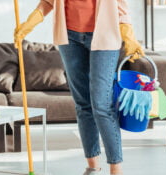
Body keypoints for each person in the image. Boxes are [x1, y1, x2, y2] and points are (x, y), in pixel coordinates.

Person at [14, 0, 144, 174]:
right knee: (83, 104)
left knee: (101, 104)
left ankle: (115, 168)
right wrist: (30, 23)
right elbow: (47, 2)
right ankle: (92, 166)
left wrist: (129, 36)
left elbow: (121, 8)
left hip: (104, 36)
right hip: (69, 38)